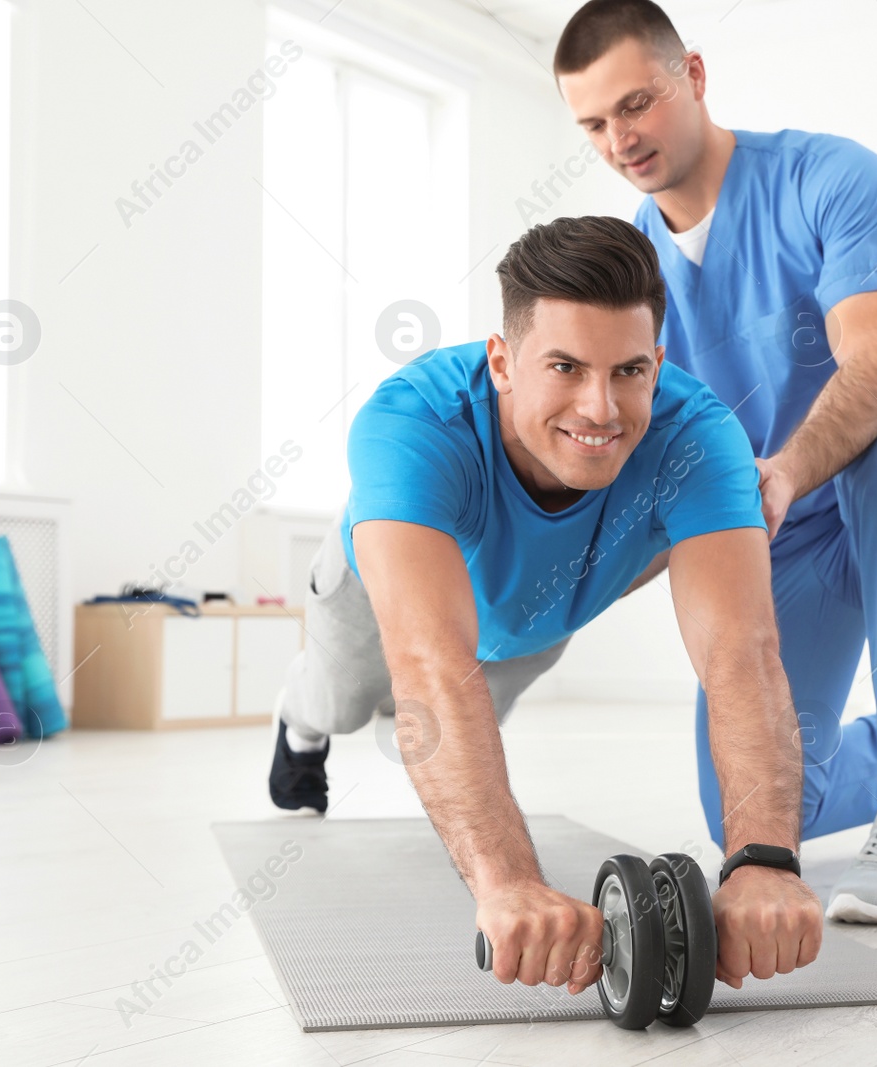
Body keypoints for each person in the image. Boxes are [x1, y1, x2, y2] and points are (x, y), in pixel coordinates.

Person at [268, 215, 822, 993]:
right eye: (565, 366)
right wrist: (507, 883)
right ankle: (298, 726)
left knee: (419, 741)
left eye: (629, 371)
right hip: (382, 598)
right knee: (343, 698)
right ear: (502, 360)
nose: (600, 407)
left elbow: (742, 651)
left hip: (532, 620)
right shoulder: (413, 421)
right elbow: (428, 657)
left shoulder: (701, 437)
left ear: (659, 364)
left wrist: (764, 858)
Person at [553, 0, 877, 925]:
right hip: (790, 523)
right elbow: (646, 462)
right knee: (745, 809)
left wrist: (790, 471)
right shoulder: (630, 270)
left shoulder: (829, 177)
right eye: (594, 123)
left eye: (636, 104)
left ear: (696, 75)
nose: (620, 139)